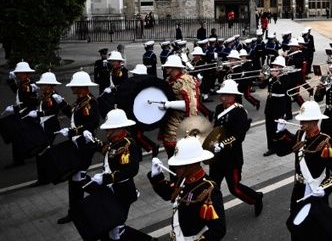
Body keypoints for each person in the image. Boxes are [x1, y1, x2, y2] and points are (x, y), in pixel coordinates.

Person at [273, 100, 332, 241]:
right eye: (301, 120)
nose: (301, 123)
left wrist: (324, 189)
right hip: (299, 189)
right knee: (297, 227)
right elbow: (281, 152)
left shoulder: (325, 141)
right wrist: (279, 133)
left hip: (316, 191)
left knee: (317, 230)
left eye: (305, 120)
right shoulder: (300, 134)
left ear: (315, 121)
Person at [149, 137, 226, 240]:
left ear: (193, 164)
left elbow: (218, 229)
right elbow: (169, 195)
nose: (176, 167)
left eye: (181, 164)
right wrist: (157, 176)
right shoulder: (183, 179)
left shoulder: (209, 189)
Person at [210, 79, 263, 216]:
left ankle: (256, 198)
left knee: (235, 188)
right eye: (221, 95)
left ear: (233, 96)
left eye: (225, 95)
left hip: (232, 157)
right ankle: (215, 213)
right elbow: (216, 129)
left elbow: (239, 136)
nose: (222, 97)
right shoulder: (219, 108)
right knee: (212, 186)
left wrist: (223, 144)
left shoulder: (240, 112)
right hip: (217, 157)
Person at [86, 108, 140, 240]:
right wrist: (93, 140)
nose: (106, 131)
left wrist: (107, 178)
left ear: (119, 128)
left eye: (109, 129)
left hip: (122, 192)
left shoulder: (128, 145)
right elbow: (107, 150)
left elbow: (131, 170)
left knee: (117, 228)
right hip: (112, 190)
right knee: (110, 224)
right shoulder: (115, 141)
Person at [56, 70, 101, 225]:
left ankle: (103, 197)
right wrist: (61, 103)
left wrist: (72, 131)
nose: (71, 88)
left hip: (84, 145)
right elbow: (74, 116)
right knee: (74, 179)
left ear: (82, 87)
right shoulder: (79, 101)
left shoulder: (90, 101)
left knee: (78, 178)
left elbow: (93, 122)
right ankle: (76, 211)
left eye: (74, 86)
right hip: (76, 143)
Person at [158, 55, 204, 158]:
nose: (166, 68)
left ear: (175, 67)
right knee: (171, 158)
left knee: (181, 157)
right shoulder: (168, 80)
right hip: (168, 122)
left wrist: (168, 105)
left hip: (181, 123)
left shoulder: (185, 81)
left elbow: (191, 104)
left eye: (168, 67)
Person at [4, 61, 39, 168]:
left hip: (27, 112)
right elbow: (17, 92)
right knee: (23, 135)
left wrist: (15, 107)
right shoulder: (23, 82)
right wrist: (11, 80)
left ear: (24, 73)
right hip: (22, 112)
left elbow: (32, 101)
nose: (17, 74)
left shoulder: (29, 84)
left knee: (18, 135)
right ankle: (26, 153)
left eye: (19, 72)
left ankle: (19, 159)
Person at [259, 56, 291, 156]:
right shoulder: (270, 76)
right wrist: (263, 78)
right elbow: (262, 86)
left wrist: (277, 77)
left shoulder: (286, 76)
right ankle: (271, 147)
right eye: (274, 65)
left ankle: (281, 145)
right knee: (269, 127)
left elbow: (284, 88)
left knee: (278, 127)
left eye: (278, 66)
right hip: (270, 103)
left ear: (282, 67)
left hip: (280, 104)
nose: (275, 67)